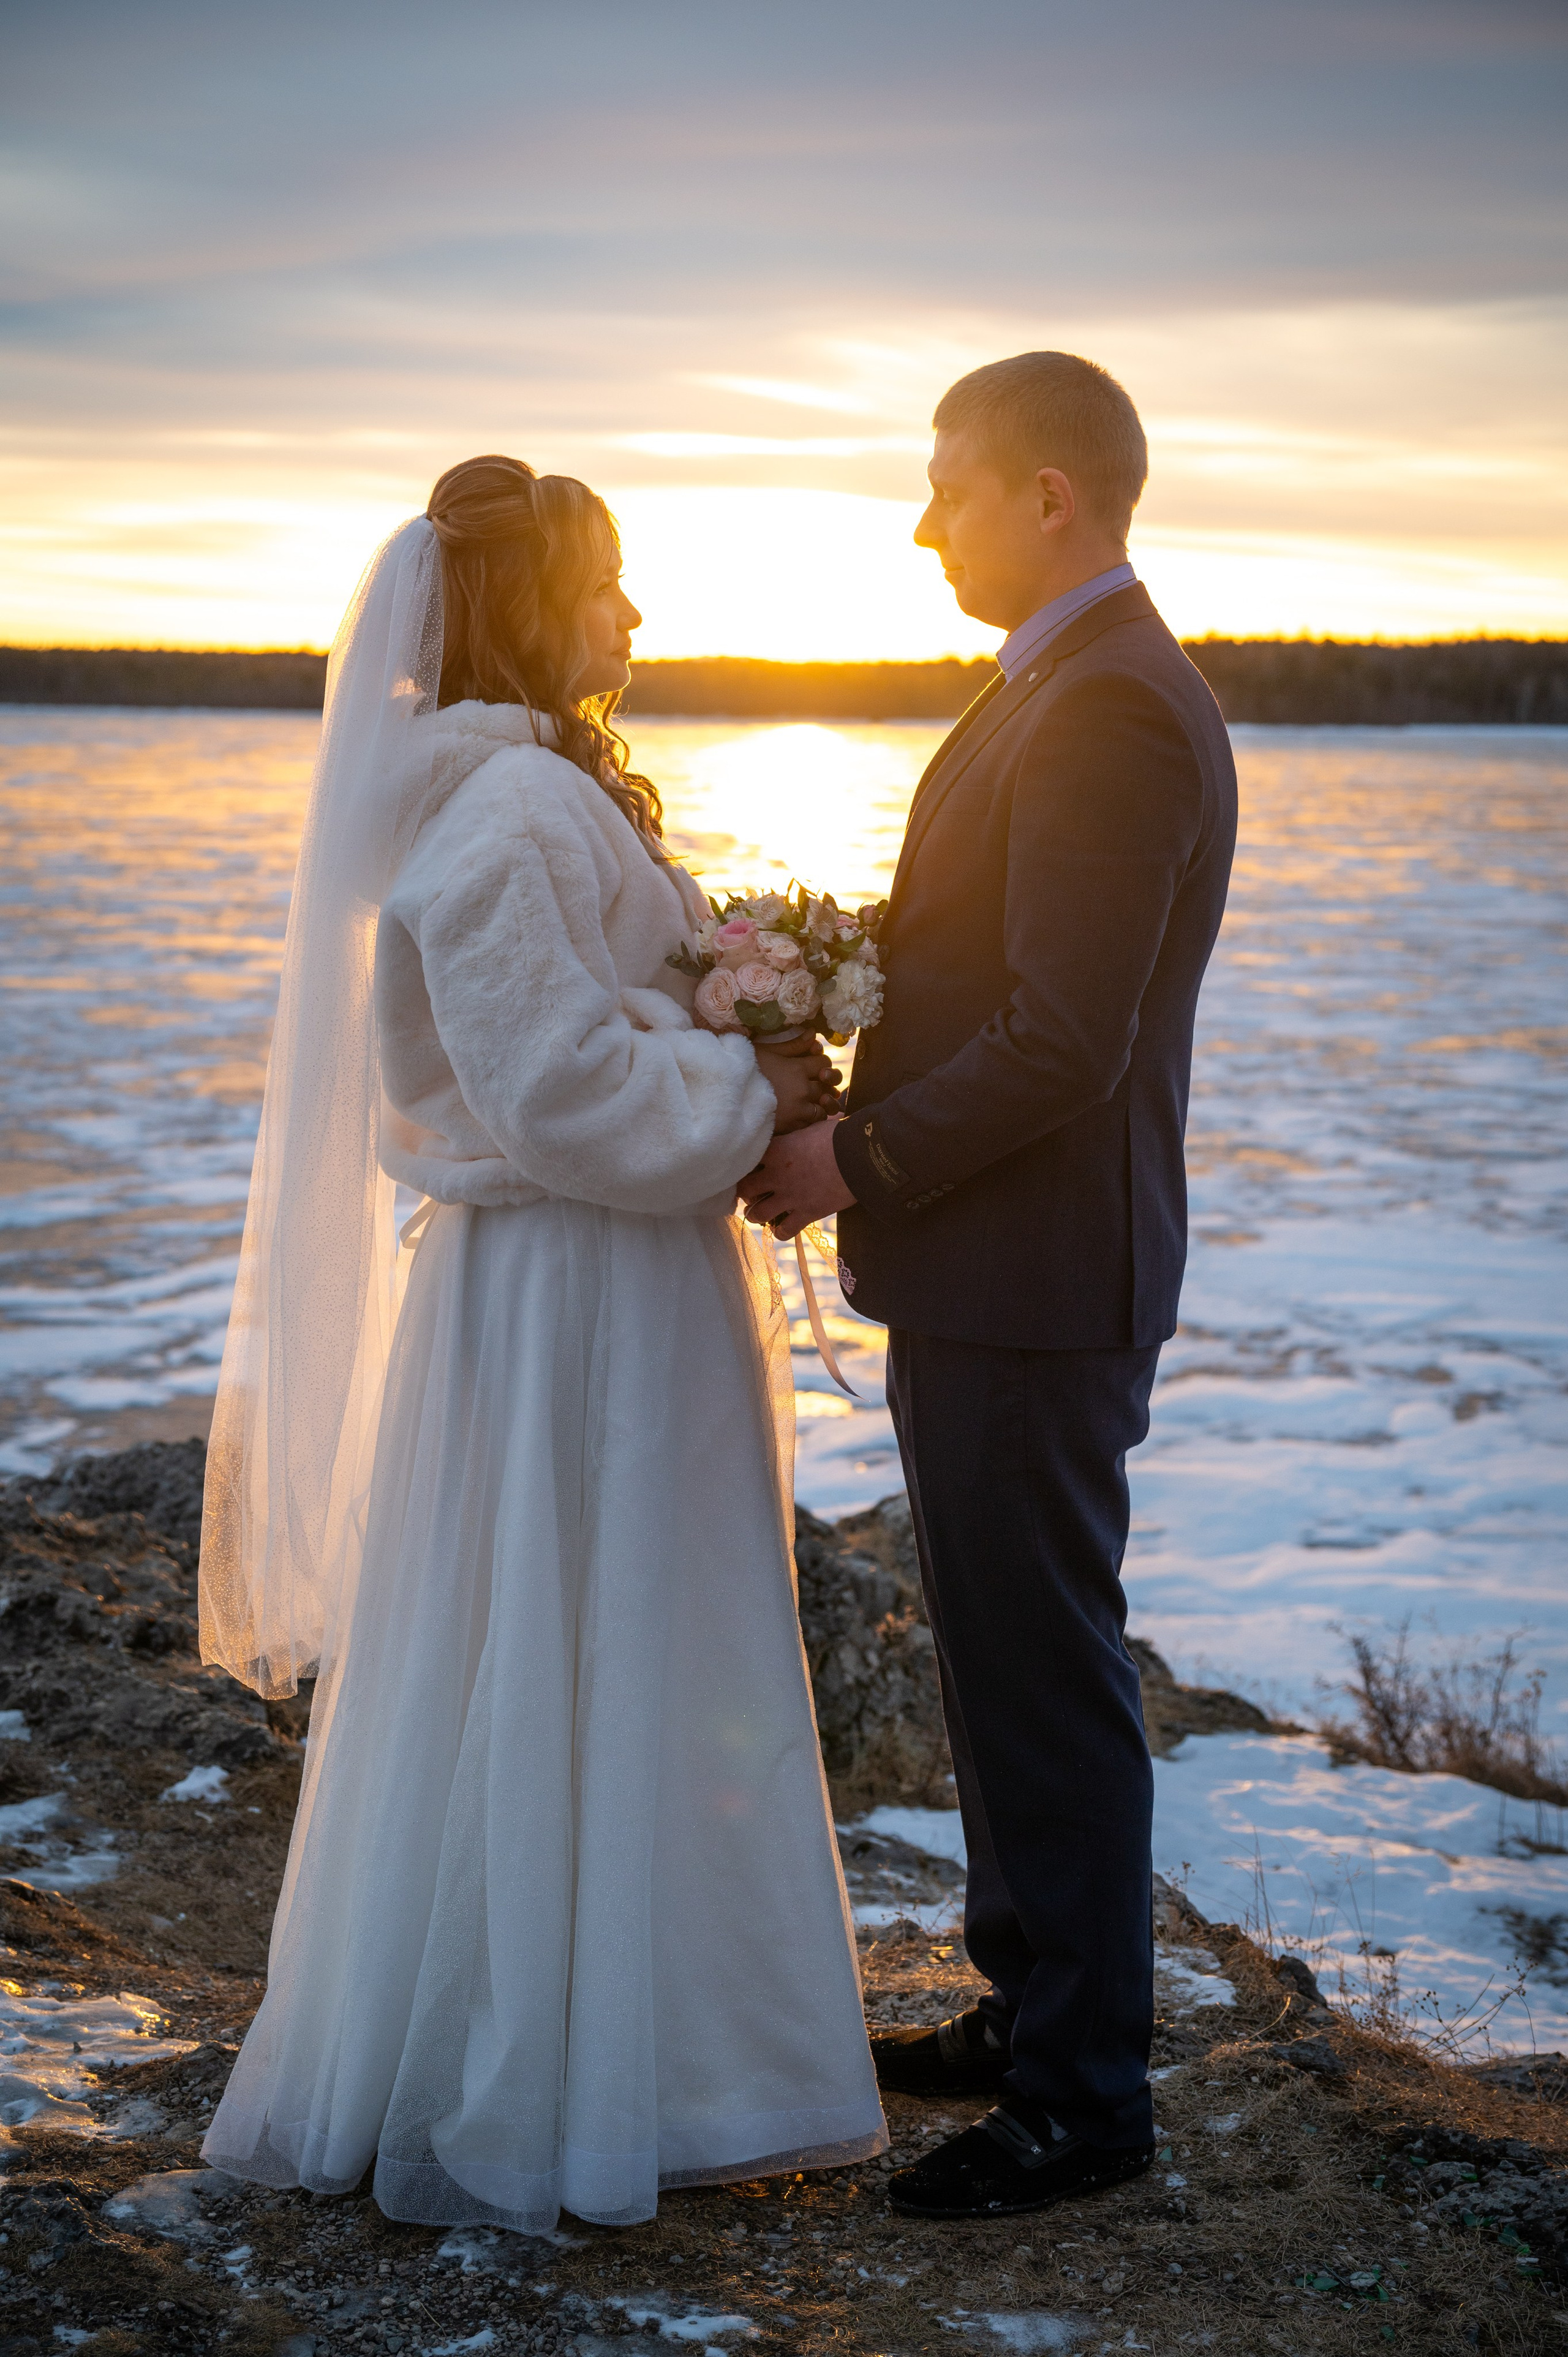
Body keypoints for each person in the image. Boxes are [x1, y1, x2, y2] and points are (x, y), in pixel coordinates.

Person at [198, 454, 885, 2230]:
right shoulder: (500, 817)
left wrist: (746, 1004)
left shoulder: (539, 795)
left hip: (605, 1289)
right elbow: (565, 1091)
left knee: (611, 1643)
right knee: (567, 1638)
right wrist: (752, 1074)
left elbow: (591, 1042)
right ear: (525, 606)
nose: (636, 619)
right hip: (568, 1299)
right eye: (610, 585)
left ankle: (644, 2049)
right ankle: (546, 2079)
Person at [741, 353, 1238, 2219]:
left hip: (1040, 1275)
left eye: (947, 479)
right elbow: (985, 975)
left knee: (1045, 1680)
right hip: (1002, 1265)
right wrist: (791, 993)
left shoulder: (1110, 706)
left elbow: (1060, 1044)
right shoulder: (1058, 685)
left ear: (1050, 494)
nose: (922, 515)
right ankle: (1031, 2011)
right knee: (1004, 1660)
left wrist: (845, 1156)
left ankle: (1087, 2106)